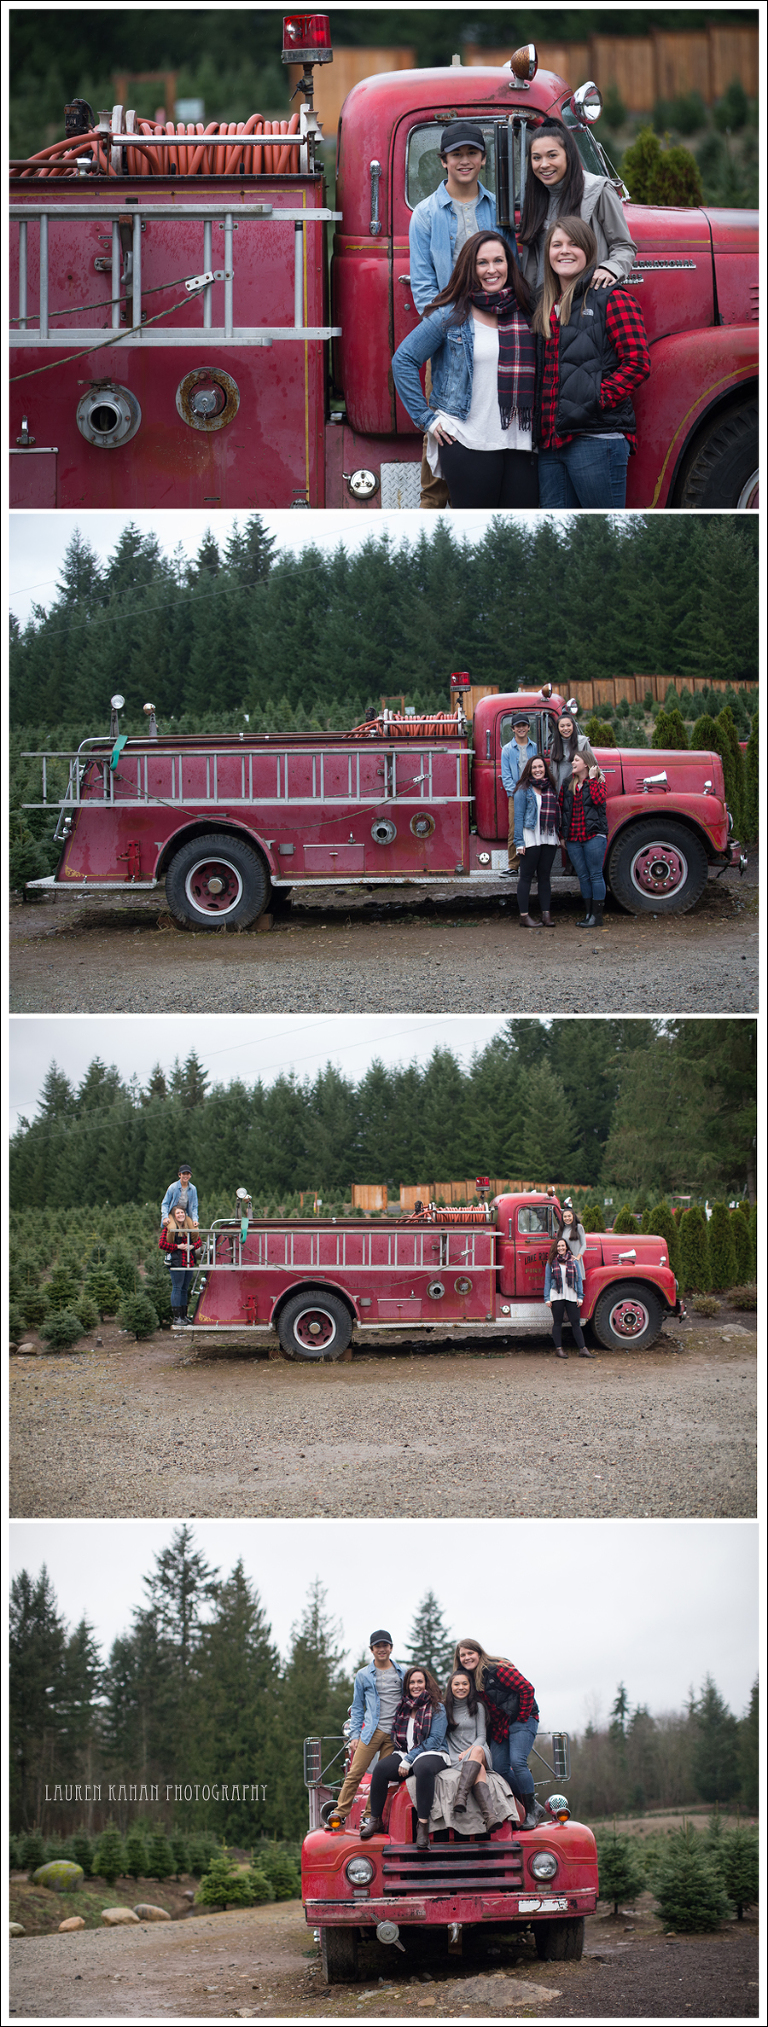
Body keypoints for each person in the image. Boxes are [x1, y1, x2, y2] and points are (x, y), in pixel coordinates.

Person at [392, 232, 539, 510]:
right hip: (466, 441)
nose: (492, 269)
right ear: (470, 269)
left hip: (520, 442)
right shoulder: (452, 315)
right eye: (482, 263)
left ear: (510, 264)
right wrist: (428, 420)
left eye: (499, 260)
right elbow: (404, 360)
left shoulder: (527, 311)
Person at [409, 121, 500, 510]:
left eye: (472, 153)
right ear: (444, 161)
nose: (465, 161)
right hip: (449, 338)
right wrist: (450, 329)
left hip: (495, 336)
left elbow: (506, 269)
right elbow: (424, 290)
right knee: (440, 456)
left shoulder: (496, 208)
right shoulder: (426, 215)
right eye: (456, 154)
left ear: (483, 158)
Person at [532, 216, 650, 508]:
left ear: (588, 251)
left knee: (603, 537)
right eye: (556, 245)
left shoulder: (611, 299)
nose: (564, 251)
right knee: (559, 543)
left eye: (573, 244)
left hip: (597, 440)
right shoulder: (543, 306)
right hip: (550, 445)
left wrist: (595, 398)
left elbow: (638, 363)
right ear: (548, 254)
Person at [517, 117, 637, 294]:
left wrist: (610, 268)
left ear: (568, 155)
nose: (544, 164)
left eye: (552, 155)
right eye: (536, 158)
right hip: (544, 305)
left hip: (586, 301)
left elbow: (623, 245)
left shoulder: (598, 190)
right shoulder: (533, 196)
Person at [453, 1639, 545, 1829]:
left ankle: (530, 1811)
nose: (467, 1657)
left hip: (523, 1717)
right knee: (500, 1768)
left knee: (517, 1761)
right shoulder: (470, 1679)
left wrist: (520, 1717)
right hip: (500, 1725)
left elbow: (527, 1689)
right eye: (463, 1655)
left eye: (470, 1653)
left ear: (479, 1653)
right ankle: (532, 1803)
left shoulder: (498, 1669)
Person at [360, 1666, 448, 1849]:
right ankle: (375, 1819)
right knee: (381, 1769)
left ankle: (423, 1825)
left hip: (433, 1753)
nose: (416, 1686)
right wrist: (405, 1757)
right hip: (405, 1753)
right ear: (407, 1686)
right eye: (412, 1682)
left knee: (422, 1768)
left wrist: (409, 1759)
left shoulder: (437, 1707)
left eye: (419, 1682)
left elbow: (435, 1740)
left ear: (426, 1684)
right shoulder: (403, 1707)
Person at [330, 1631, 408, 1825]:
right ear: (372, 1649)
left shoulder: (402, 1673)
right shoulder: (363, 1675)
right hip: (371, 1731)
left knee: (380, 1776)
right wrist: (354, 1735)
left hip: (394, 1734)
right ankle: (339, 1813)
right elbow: (357, 1707)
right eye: (377, 1646)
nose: (381, 1649)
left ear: (391, 1647)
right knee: (355, 1772)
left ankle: (368, 1817)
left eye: (385, 1645)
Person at [559, 750, 609, 928]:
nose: (572, 762)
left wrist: (594, 779)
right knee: (583, 876)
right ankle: (588, 914)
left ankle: (597, 916)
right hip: (573, 838)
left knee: (595, 874)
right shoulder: (567, 784)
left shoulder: (598, 782)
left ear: (586, 764)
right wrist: (562, 835)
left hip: (593, 836)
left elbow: (598, 800)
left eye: (576, 760)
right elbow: (562, 810)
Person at [512, 755, 560, 929]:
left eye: (540, 767)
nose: (538, 770)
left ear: (545, 769)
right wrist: (519, 842)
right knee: (525, 877)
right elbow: (518, 818)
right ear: (529, 771)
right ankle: (524, 916)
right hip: (530, 837)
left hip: (548, 836)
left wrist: (560, 835)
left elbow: (557, 813)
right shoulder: (523, 790)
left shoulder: (551, 788)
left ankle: (546, 915)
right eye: (534, 768)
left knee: (545, 877)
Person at [500, 711, 537, 874]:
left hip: (533, 792)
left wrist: (536, 790)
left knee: (533, 826)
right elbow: (506, 776)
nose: (521, 728)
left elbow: (538, 770)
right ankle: (513, 865)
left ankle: (532, 865)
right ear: (513, 729)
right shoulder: (507, 750)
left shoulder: (534, 747)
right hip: (515, 794)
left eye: (524, 725)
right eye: (518, 726)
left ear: (528, 727)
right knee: (514, 828)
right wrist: (514, 793)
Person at [545, 1233, 591, 1359]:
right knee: (557, 1323)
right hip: (556, 1295)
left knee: (575, 1323)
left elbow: (579, 1280)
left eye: (563, 1246)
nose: (560, 1248)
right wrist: (547, 1298)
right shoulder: (551, 1263)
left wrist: (580, 1296)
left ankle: (583, 1349)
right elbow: (547, 1281)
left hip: (572, 1294)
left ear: (566, 1247)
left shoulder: (573, 1261)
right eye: (558, 1246)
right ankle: (559, 1349)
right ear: (556, 1248)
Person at [158, 1202, 201, 1328]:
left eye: (182, 1212)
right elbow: (162, 1244)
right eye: (178, 1213)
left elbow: (198, 1241)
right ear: (174, 1215)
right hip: (177, 1262)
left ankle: (184, 1316)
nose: (180, 1215)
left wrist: (192, 1246)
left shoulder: (189, 1227)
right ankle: (177, 1317)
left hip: (189, 1262)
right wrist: (177, 1246)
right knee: (177, 1288)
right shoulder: (169, 1228)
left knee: (184, 1289)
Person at [549, 710, 598, 795]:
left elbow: (593, 763)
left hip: (579, 788)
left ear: (573, 726)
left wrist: (600, 776)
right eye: (562, 726)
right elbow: (553, 769)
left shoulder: (582, 742)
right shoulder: (555, 745)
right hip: (561, 788)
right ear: (558, 728)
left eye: (568, 725)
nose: (565, 729)